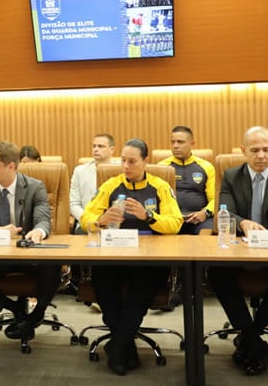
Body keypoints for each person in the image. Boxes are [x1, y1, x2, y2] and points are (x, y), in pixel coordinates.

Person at [80, 138, 182, 375]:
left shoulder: (160, 186)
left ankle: (117, 347)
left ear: (145, 161)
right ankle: (125, 347)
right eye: (123, 160)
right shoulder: (110, 185)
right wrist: (100, 220)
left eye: (132, 161)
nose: (126, 166)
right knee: (103, 280)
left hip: (149, 257)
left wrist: (149, 217)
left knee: (142, 289)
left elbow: (176, 223)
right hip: (114, 252)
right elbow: (86, 218)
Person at [208, 126, 268, 376]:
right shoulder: (231, 176)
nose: (261, 155)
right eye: (254, 150)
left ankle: (249, 336)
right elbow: (225, 212)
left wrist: (265, 238)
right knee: (216, 271)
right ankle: (255, 342)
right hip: (240, 248)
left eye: (266, 149)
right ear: (243, 151)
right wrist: (243, 223)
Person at [0, 141, 60, 342]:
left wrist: (38, 232)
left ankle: (37, 314)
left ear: (11, 167)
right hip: (0, 254)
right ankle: (16, 309)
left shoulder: (35, 187)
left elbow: (43, 220)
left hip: (30, 254)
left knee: (53, 266)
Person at [157, 126, 215, 309]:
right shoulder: (162, 167)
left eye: (180, 142)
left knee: (206, 236)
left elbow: (215, 199)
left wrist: (204, 213)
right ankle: (163, 288)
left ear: (192, 143)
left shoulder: (206, 166)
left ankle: (189, 287)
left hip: (200, 218)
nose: (175, 146)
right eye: (173, 142)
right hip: (172, 218)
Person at [70, 133, 116, 230]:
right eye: (94, 146)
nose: (96, 149)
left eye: (100, 146)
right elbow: (74, 204)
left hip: (115, 225)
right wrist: (90, 220)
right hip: (87, 224)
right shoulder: (79, 171)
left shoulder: (120, 170)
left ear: (112, 150)